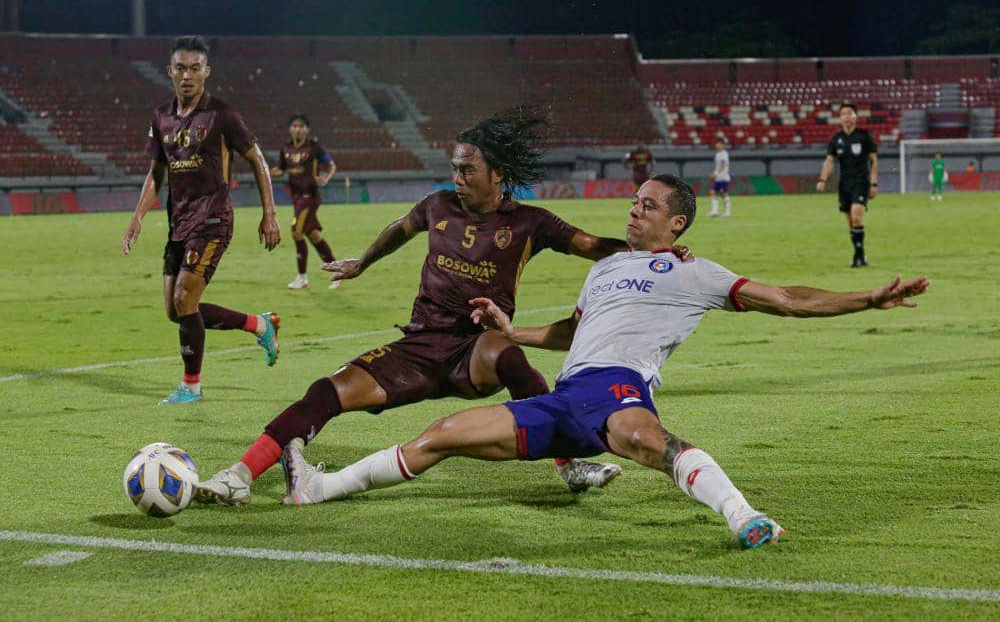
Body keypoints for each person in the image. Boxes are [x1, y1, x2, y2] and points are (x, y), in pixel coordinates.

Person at [276, 174, 928, 550]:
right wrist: (513, 329)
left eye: (649, 204)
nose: (634, 207)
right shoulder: (608, 266)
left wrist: (868, 295)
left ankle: (745, 516)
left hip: (619, 389)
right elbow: (572, 332)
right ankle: (316, 487)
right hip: (563, 399)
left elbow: (787, 298)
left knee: (648, 439)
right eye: (635, 199)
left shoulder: (694, 271)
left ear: (676, 225)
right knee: (442, 436)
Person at [194, 108, 690, 502]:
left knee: (503, 347)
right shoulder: (437, 207)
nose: (455, 176)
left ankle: (570, 465)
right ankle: (241, 474)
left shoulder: (531, 222)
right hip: (419, 346)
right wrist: (361, 263)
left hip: (473, 349)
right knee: (326, 391)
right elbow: (397, 231)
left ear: (497, 172)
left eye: (466, 168)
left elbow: (590, 245)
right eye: (453, 167)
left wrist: (658, 253)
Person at [122, 36, 282, 405]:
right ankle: (259, 325)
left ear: (207, 72)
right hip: (178, 223)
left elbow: (256, 158)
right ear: (170, 72)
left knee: (184, 298)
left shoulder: (222, 114)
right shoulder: (160, 117)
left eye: (195, 68)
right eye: (180, 68)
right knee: (175, 310)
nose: (187, 75)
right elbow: (156, 174)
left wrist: (269, 213)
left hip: (212, 219)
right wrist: (137, 217)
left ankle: (190, 387)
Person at [270, 114, 338, 290]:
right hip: (296, 197)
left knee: (296, 232)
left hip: (310, 196)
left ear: (307, 129)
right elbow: (282, 169)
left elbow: (331, 165)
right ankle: (338, 271)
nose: (298, 129)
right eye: (294, 126)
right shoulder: (285, 148)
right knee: (313, 234)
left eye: (301, 126)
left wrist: (325, 178)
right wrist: (267, 172)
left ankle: (302, 277)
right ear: (290, 129)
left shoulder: (315, 148)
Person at [816, 103, 878, 267]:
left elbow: (874, 161)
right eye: (843, 113)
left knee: (857, 217)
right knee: (851, 222)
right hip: (844, 184)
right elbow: (830, 160)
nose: (847, 116)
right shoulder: (837, 139)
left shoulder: (864, 136)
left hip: (861, 182)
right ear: (840, 118)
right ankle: (860, 254)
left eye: (850, 113)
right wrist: (822, 179)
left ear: (855, 116)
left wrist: (873, 183)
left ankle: (859, 257)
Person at [708, 138, 732, 217]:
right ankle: (715, 211)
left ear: (723, 145)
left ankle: (727, 212)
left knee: (723, 194)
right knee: (713, 192)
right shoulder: (718, 154)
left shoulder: (724, 154)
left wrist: (715, 173)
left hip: (724, 177)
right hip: (718, 178)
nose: (717, 146)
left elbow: (722, 165)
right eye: (716, 144)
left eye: (719, 144)